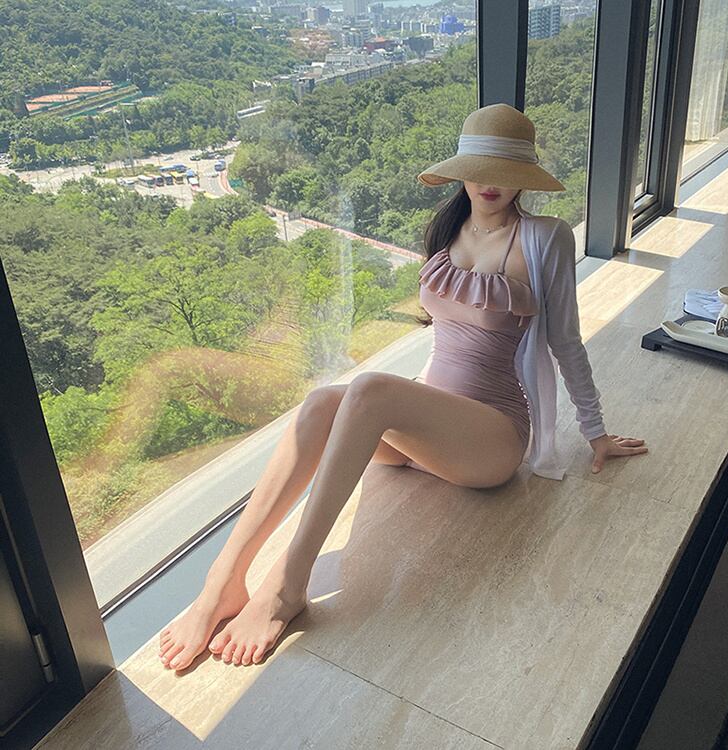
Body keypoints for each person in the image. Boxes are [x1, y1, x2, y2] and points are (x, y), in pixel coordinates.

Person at [158, 102, 648, 672]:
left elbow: (566, 340)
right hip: (420, 437)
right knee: (321, 403)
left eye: (505, 171)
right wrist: (404, 408)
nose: (489, 183)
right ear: (460, 171)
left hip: (488, 441)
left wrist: (595, 431)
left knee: (370, 390)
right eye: (478, 168)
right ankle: (222, 582)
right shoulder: (447, 231)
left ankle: (287, 585)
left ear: (524, 178)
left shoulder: (545, 237)